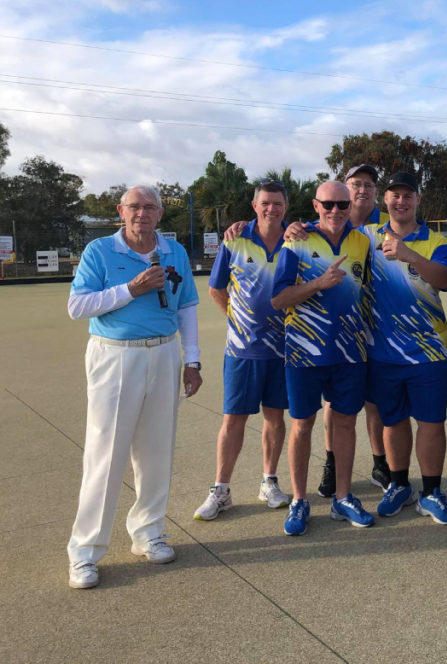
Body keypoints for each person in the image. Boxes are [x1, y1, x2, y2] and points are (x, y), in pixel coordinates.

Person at [66, 185, 202, 590]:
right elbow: (78, 306)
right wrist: (132, 289)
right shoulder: (99, 251)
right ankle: (85, 552)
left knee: (157, 451)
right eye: (134, 207)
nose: (141, 213)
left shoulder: (173, 252)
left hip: (163, 355)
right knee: (105, 454)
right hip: (115, 357)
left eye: (149, 207)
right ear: (120, 212)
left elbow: (187, 306)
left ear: (160, 214)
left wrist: (191, 359)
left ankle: (149, 533)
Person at [271, 180, 374, 536]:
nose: (335, 211)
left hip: (350, 352)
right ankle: (300, 499)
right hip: (304, 353)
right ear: (315, 206)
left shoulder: (362, 241)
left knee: (345, 423)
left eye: (342, 205)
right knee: (302, 425)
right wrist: (318, 283)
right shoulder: (296, 241)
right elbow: (278, 299)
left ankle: (343, 497)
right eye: (328, 204)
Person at [194, 179, 290, 521]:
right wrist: (237, 320)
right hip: (242, 350)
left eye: (277, 203)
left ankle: (269, 481)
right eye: (265, 203)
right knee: (233, 420)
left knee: (275, 418)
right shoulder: (234, 241)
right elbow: (216, 288)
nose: (271, 209)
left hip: (283, 350)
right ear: (254, 206)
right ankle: (220, 489)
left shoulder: (296, 240)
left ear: (285, 207)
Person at [366, 172, 447, 525]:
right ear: (384, 200)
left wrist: (409, 255)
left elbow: (446, 281)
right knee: (393, 422)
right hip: (383, 351)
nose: (401, 202)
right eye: (395, 195)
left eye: (408, 195)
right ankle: (399, 485)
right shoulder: (367, 237)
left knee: (431, 423)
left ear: (418, 200)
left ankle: (432, 492)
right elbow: (330, 225)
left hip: (428, 352)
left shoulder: (435, 241)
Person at [315, 164, 390, 500]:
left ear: (376, 192)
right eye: (356, 184)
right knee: (334, 403)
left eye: (369, 185)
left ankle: (380, 462)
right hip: (335, 334)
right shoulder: (317, 225)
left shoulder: (386, 226)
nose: (362, 190)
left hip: (376, 329)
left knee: (374, 400)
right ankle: (331, 462)